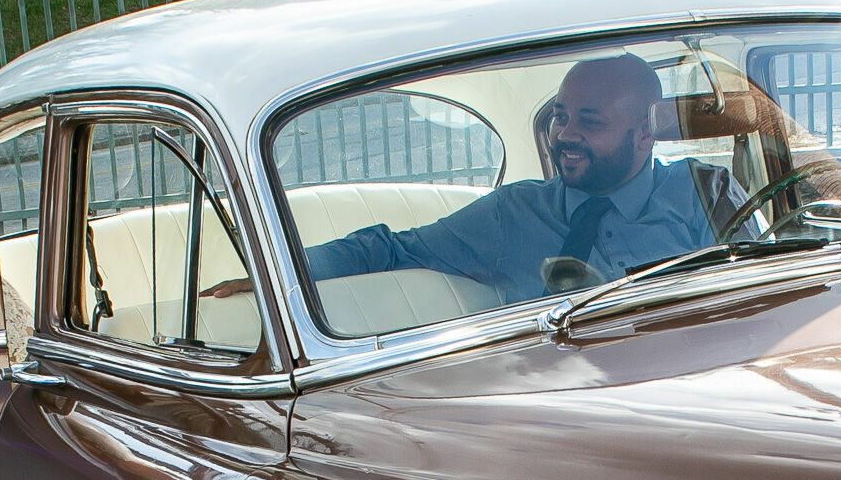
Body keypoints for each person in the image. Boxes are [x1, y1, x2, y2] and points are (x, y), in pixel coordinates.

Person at [221, 55, 750, 307]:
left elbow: (763, 301)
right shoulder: (512, 214)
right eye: (561, 116)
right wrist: (280, 276)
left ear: (643, 136)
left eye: (590, 122)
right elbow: (389, 249)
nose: (565, 134)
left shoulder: (706, 194)